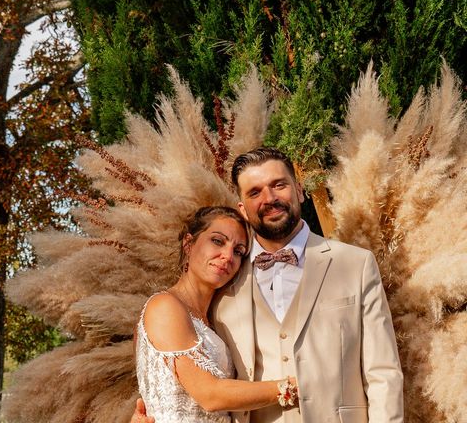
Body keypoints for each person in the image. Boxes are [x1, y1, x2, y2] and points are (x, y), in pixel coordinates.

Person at [133, 147, 403, 423]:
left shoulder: (355, 264)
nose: (269, 198)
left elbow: (383, 373)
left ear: (299, 191)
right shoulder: (225, 283)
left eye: (279, 185)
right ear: (243, 208)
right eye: (254, 192)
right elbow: (188, 379)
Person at [135, 206, 300, 423]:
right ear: (188, 244)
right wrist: (295, 386)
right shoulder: (164, 306)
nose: (227, 256)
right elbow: (209, 394)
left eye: (238, 251)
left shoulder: (214, 319)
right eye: (218, 241)